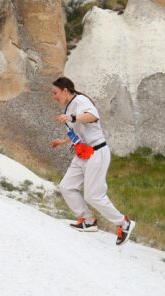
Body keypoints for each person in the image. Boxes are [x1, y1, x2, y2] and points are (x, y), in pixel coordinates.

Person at [49, 77, 135, 246]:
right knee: (66, 187)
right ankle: (88, 221)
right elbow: (78, 130)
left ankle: (124, 223)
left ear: (65, 90)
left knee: (93, 196)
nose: (54, 97)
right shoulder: (69, 106)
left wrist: (72, 118)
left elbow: (92, 117)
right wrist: (63, 141)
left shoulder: (80, 100)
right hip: (82, 154)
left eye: (55, 93)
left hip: (97, 152)